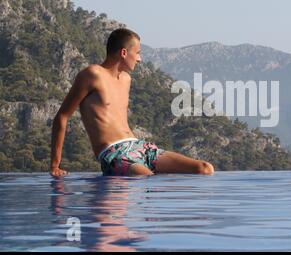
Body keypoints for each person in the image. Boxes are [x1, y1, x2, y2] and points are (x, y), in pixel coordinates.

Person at [50, 28, 215, 177]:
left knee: (205, 169)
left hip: (141, 148)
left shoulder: (126, 79)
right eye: (137, 53)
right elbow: (62, 117)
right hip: (114, 154)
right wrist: (55, 165)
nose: (140, 59)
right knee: (147, 179)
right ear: (123, 53)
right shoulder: (92, 75)